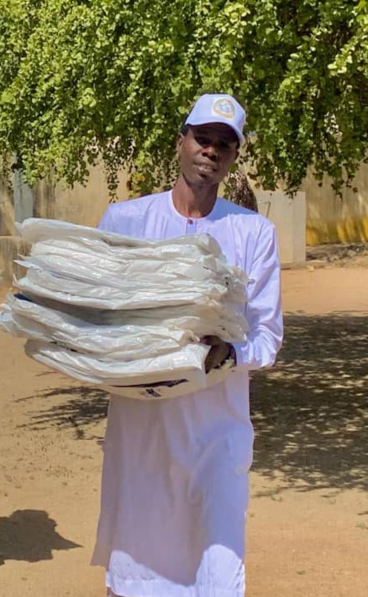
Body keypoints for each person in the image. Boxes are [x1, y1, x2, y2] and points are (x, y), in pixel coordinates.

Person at [92, 94, 283, 597]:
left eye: (224, 144)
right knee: (138, 568)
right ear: (181, 141)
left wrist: (230, 353)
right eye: (203, 138)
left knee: (217, 568)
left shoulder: (253, 232)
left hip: (217, 433)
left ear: (234, 156)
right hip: (142, 433)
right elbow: (95, 310)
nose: (211, 151)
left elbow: (267, 335)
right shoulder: (125, 220)